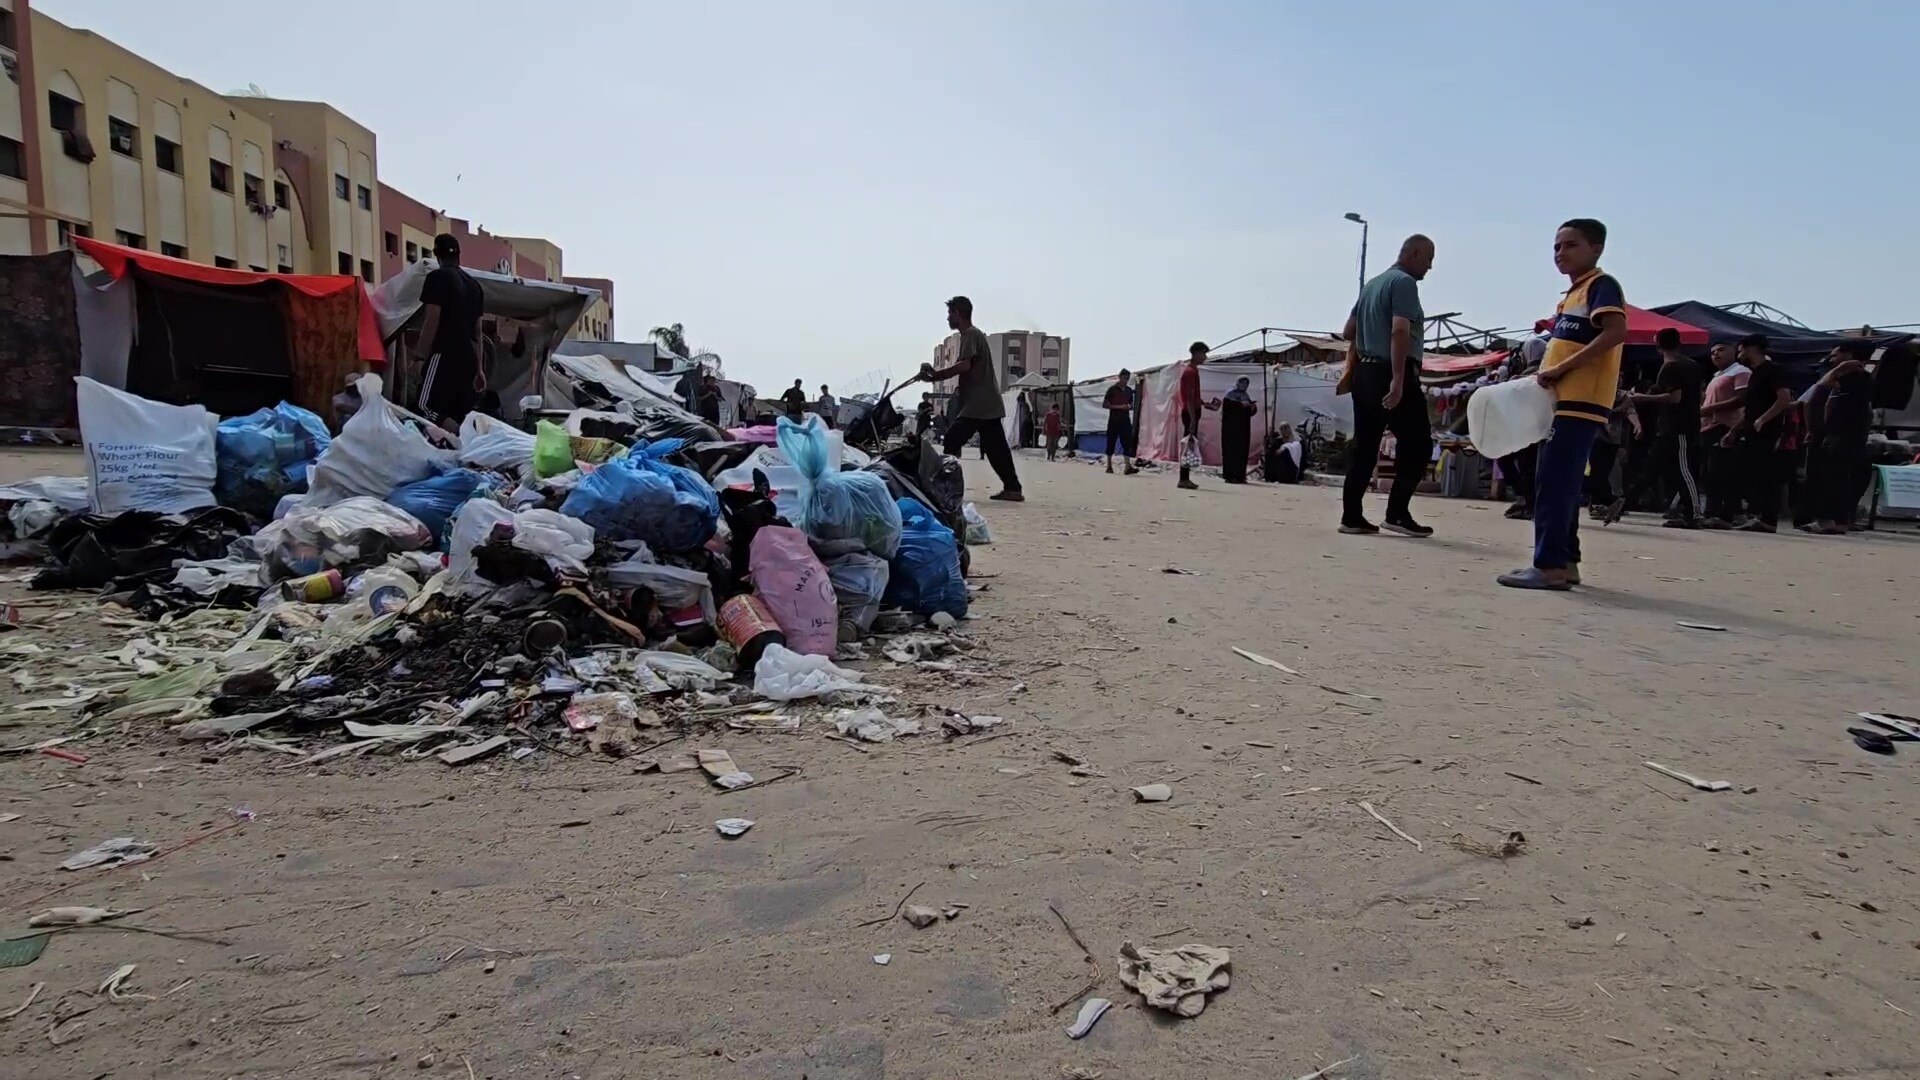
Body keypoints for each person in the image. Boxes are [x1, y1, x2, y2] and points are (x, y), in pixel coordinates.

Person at [1498, 218, 1628, 591]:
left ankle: (1550, 564)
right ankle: (1565, 560)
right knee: (1558, 481)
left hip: (1581, 400)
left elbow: (1615, 332)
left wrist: (1562, 368)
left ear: (1596, 249)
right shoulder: (1571, 296)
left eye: (1570, 245)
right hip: (1563, 399)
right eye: (1557, 247)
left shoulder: (1602, 286)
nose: (1560, 253)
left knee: (1553, 482)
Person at [1340, 234, 1436, 536]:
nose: (1429, 268)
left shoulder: (1372, 285)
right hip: (1391, 372)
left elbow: (1348, 331)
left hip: (1364, 374)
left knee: (1365, 446)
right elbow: (1399, 331)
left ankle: (1351, 516)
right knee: (1419, 444)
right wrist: (1397, 380)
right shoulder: (1404, 283)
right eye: (1429, 260)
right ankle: (1396, 514)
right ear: (1415, 253)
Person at [920, 295, 1023, 501]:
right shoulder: (972, 335)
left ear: (958, 313)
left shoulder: (970, 335)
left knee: (952, 439)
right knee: (996, 449)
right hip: (986, 402)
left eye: (950, 313)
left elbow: (964, 366)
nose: (948, 318)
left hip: (980, 403)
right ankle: (1013, 488)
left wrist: (937, 375)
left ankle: (947, 488)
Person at [1606, 327, 1703, 527]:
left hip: (1678, 426)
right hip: (1675, 425)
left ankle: (1694, 514)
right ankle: (1622, 505)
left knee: (1683, 470)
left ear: (1657, 343)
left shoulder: (1671, 367)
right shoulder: (1691, 365)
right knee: (1651, 468)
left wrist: (1643, 397)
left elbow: (1675, 398)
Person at [412, 233, 486, 425]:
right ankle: (457, 445)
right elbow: (478, 332)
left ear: (437, 255)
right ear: (458, 255)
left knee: (424, 406)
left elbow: (432, 320)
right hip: (468, 359)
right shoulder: (474, 285)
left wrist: (420, 357)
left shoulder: (437, 278)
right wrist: (479, 369)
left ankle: (449, 430)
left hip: (443, 354)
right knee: (459, 411)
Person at [1726, 334, 1793, 533]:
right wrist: (1734, 430)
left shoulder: (1773, 371)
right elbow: (1750, 408)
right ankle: (1751, 514)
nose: (1739, 355)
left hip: (1766, 432)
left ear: (1751, 348)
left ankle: (1767, 519)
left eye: (1740, 351)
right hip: (1750, 429)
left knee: (1764, 475)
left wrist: (1763, 419)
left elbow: (1784, 398)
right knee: (1747, 474)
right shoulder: (1755, 374)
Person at [1811, 341, 1876, 533]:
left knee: (1831, 479)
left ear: (1850, 355)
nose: (1832, 359)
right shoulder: (1862, 377)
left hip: (1842, 435)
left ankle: (1828, 521)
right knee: (1842, 480)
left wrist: (1840, 367)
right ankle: (1840, 521)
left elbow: (1822, 385)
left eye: (1836, 355)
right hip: (1850, 436)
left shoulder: (1854, 375)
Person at [1697, 343, 1750, 528]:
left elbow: (1741, 399)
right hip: (1709, 427)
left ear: (1733, 352)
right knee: (1714, 472)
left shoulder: (1740, 372)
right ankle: (1733, 512)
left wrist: (1708, 409)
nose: (1716, 354)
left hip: (1725, 426)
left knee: (1718, 473)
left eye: (1720, 350)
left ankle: (1716, 514)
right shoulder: (1716, 376)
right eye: (1712, 352)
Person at [1584, 386, 1639, 515]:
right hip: (1597, 437)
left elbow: (1631, 411)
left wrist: (1637, 425)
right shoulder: (1599, 391)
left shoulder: (1622, 395)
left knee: (1601, 474)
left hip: (1612, 439)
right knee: (1595, 475)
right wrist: (1621, 408)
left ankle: (1606, 503)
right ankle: (1608, 502)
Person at [1176, 342, 1222, 490]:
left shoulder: (1193, 371)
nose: (1205, 357)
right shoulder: (1190, 372)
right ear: (1196, 353)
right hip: (1190, 413)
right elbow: (1189, 398)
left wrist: (1203, 403)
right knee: (1188, 446)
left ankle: (1185, 477)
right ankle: (1183, 478)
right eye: (1203, 353)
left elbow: (1193, 396)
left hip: (1193, 410)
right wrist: (1193, 419)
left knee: (1190, 445)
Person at [1220, 376, 1258, 483]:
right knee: (1231, 452)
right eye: (1242, 383)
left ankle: (1240, 475)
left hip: (1243, 430)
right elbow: (1228, 409)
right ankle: (1230, 475)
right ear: (1237, 383)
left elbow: (1248, 413)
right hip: (1231, 430)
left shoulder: (1245, 395)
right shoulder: (1230, 394)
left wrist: (1252, 408)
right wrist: (1240, 405)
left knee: (1242, 452)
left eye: (1246, 383)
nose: (1244, 385)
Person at [1102, 370, 1139, 474]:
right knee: (1111, 442)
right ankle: (1109, 465)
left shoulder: (1128, 391)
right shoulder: (1112, 390)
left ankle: (1127, 466)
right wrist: (1118, 407)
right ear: (1120, 377)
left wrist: (1128, 407)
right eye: (1124, 378)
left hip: (1125, 420)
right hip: (1114, 419)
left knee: (1127, 443)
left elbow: (1131, 405)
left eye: (1127, 379)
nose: (1125, 381)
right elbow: (1105, 404)